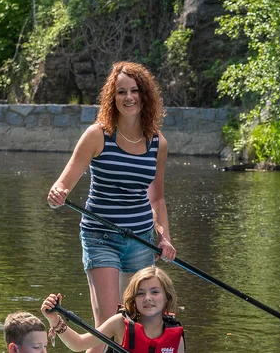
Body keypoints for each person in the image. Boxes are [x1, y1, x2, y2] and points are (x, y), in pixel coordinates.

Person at [46, 61, 177, 353]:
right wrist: (59, 192)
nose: (128, 97)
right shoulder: (97, 135)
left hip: (141, 239)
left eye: (134, 91)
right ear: (112, 97)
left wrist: (163, 237)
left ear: (145, 96)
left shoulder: (158, 143)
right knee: (107, 328)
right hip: (100, 236)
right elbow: (64, 183)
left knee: (134, 325)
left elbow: (156, 199)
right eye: (121, 92)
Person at [41, 266, 185, 353]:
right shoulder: (120, 323)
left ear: (167, 297)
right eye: (140, 293)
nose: (147, 298)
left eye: (155, 292)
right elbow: (78, 343)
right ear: (133, 299)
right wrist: (54, 320)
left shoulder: (175, 334)